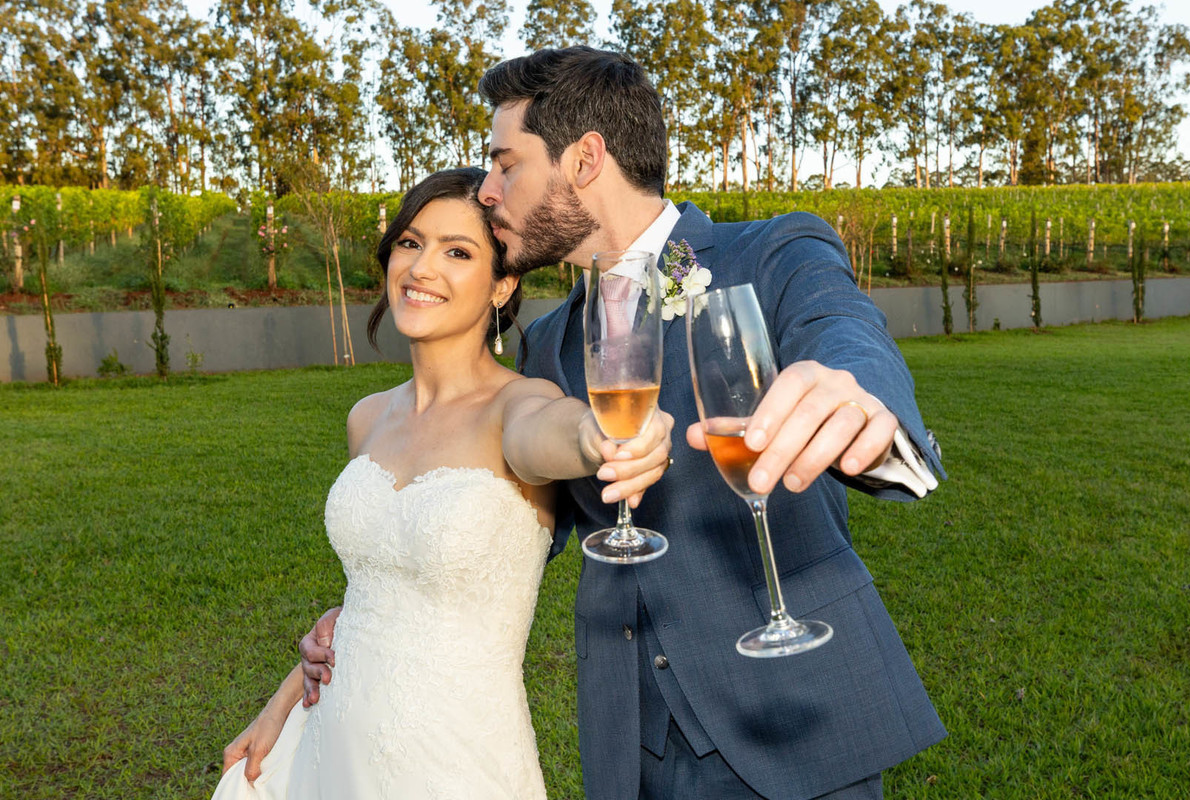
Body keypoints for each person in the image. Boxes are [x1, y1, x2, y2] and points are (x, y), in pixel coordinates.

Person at [301, 47, 947, 799]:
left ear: (584, 159)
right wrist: (377, 606)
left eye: (506, 164)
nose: (489, 188)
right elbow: (497, 519)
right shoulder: (548, 345)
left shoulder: (769, 252)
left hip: (789, 715)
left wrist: (859, 396)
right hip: (630, 741)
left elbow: (843, 330)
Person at [212, 166, 672, 799]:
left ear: (502, 283)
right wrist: (282, 703)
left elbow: (554, 432)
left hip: (456, 759)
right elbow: (373, 595)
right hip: (330, 742)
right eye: (410, 242)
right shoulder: (367, 417)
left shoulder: (519, 404)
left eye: (457, 252)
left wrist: (599, 436)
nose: (422, 268)